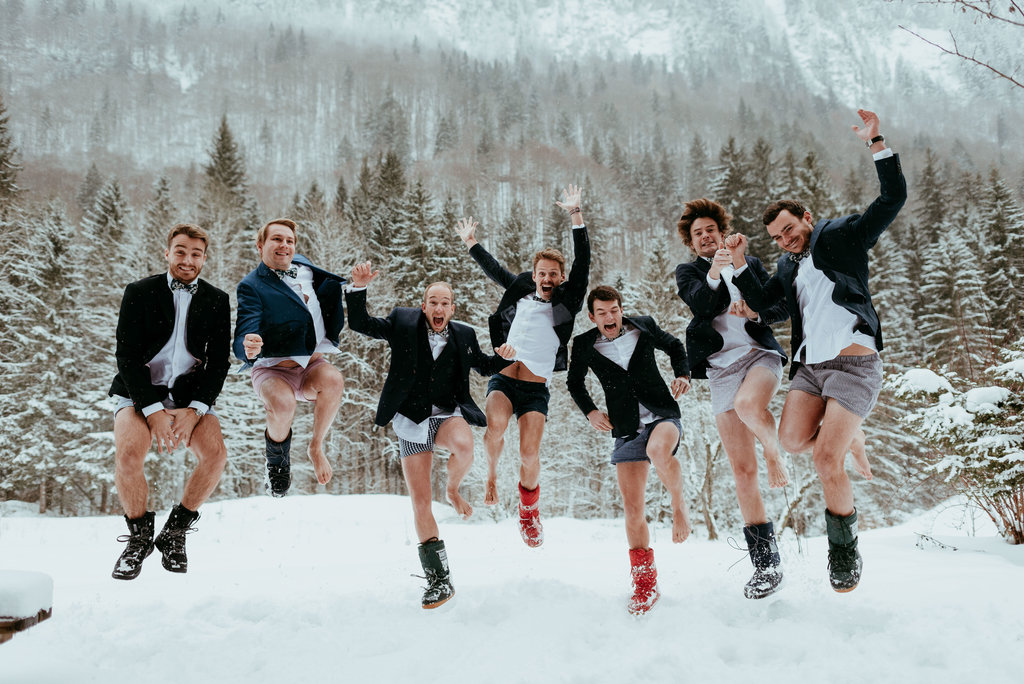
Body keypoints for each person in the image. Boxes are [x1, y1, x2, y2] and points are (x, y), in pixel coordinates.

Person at [727, 109, 907, 592]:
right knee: (788, 442)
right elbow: (773, 309)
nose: (785, 240)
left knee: (826, 462)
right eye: (777, 238)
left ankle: (844, 554)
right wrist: (743, 263)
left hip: (853, 365)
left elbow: (892, 199)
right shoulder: (786, 266)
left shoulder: (840, 235)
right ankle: (848, 436)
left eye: (790, 229)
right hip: (810, 369)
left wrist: (876, 142)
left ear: (806, 217)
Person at [345, 263, 511, 608]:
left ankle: (451, 488)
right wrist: (359, 288)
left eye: (445, 303)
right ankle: (439, 580)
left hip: (447, 413)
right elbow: (362, 324)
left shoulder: (464, 335)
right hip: (410, 418)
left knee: (465, 446)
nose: (438, 308)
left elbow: (482, 365)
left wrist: (502, 358)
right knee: (420, 502)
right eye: (432, 302)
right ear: (424, 306)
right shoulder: (404, 323)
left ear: (453, 308)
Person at [455, 184, 590, 548]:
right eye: (541, 273)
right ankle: (492, 477)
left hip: (534, 389)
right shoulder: (521, 289)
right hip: (503, 378)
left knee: (530, 454)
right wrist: (471, 243)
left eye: (552, 274)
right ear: (534, 274)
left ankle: (528, 511)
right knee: (494, 426)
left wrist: (576, 216)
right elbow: (495, 270)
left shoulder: (567, 302)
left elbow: (583, 262)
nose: (546, 279)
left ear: (560, 278)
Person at [674, 198, 790, 599]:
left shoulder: (749, 262)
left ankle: (772, 450)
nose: (706, 237)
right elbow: (701, 304)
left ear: (722, 232)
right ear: (692, 244)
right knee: (742, 472)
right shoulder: (689, 273)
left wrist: (752, 308)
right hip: (722, 370)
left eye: (711, 230)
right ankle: (767, 565)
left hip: (758, 356)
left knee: (748, 406)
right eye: (698, 234)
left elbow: (774, 306)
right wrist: (716, 270)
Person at [108, 223, 230, 580]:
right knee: (129, 455)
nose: (187, 259)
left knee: (216, 455)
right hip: (138, 392)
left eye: (196, 253)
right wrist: (152, 410)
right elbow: (126, 357)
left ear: (204, 258)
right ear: (167, 253)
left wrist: (195, 411)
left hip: (190, 395)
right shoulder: (139, 292)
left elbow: (219, 362)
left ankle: (174, 533)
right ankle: (139, 538)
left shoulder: (217, 299)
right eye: (180, 251)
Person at [566, 285, 692, 615]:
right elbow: (574, 383)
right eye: (602, 313)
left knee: (658, 450)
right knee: (633, 508)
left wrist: (683, 374)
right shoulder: (583, 345)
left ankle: (679, 506)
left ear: (622, 309)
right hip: (625, 428)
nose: (610, 317)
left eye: (614, 310)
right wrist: (591, 411)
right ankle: (645, 582)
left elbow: (675, 346)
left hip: (662, 415)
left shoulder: (644, 325)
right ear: (592, 317)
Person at [234, 218, 346, 496]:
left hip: (312, 366)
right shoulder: (252, 285)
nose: (284, 245)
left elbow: (331, 289)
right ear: (260, 245)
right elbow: (244, 329)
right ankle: (277, 459)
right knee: (283, 405)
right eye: (276, 239)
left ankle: (315, 447)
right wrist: (247, 346)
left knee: (333, 379)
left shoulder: (305, 268)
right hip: (273, 370)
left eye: (289, 241)